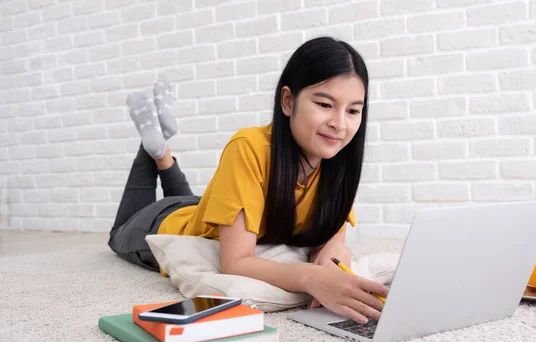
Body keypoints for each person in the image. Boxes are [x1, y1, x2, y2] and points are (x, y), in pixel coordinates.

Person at [108, 37, 389, 324]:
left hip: (202, 210)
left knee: (195, 203)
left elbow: (331, 240)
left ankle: (161, 148)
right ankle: (153, 148)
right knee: (118, 232)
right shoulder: (249, 146)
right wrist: (311, 277)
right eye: (324, 104)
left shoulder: (338, 162)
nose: (340, 124)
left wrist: (331, 262)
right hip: (162, 222)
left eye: (353, 110)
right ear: (288, 101)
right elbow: (236, 262)